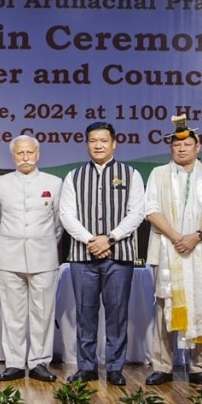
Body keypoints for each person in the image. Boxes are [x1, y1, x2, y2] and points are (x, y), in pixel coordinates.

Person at [59, 121, 145, 386]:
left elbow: (137, 213)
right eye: (93, 140)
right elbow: (66, 214)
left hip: (119, 255)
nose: (98, 145)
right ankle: (86, 367)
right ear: (87, 144)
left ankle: (115, 368)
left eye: (103, 140)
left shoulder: (131, 174)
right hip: (83, 256)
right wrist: (90, 240)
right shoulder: (73, 176)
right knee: (85, 313)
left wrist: (109, 238)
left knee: (117, 313)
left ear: (114, 143)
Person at [142, 115, 202, 388]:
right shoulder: (158, 174)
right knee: (164, 307)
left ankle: (199, 366)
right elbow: (150, 209)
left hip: (200, 249)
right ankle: (162, 366)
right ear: (171, 149)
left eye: (188, 144)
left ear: (198, 147)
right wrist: (177, 237)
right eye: (177, 145)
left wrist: (196, 236)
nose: (182, 149)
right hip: (167, 249)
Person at [0, 135, 62, 383]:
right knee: (13, 314)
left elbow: (58, 223)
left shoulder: (54, 182)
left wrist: (39, 239)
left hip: (44, 257)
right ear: (13, 156)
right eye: (20, 153)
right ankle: (15, 363)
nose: (25, 157)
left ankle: (40, 362)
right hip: (10, 257)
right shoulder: (0, 183)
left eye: (29, 152)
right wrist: (15, 237)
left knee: (42, 313)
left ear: (38, 154)